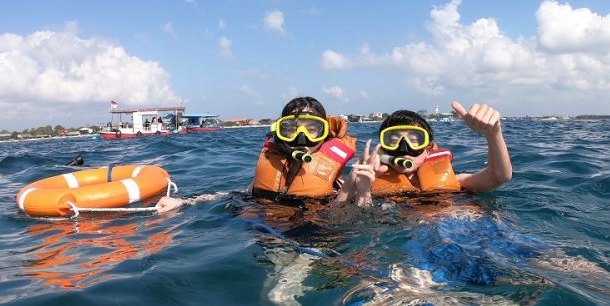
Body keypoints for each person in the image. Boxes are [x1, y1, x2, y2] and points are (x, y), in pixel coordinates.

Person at [156, 96, 355, 213]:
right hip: (265, 228)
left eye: (312, 129)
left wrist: (359, 188)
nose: (301, 138)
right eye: (291, 129)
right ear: (279, 132)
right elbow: (238, 195)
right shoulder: (274, 163)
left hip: (314, 233)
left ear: (325, 134)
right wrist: (184, 202)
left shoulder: (338, 183)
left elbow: (343, 214)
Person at [338, 101, 512, 206]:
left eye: (415, 140)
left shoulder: (457, 181)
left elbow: (499, 176)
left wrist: (493, 133)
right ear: (383, 148)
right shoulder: (367, 182)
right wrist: (361, 189)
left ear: (429, 148)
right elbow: (339, 219)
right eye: (393, 140)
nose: (404, 148)